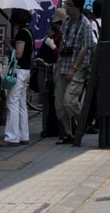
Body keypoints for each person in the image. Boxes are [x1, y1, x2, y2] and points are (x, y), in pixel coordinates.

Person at [54, 0, 94, 144]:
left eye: (69, 5)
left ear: (77, 7)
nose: (66, 7)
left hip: (77, 68)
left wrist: (74, 67)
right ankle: (68, 134)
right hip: (62, 65)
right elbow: (63, 43)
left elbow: (85, 48)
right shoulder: (67, 22)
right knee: (59, 106)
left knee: (69, 102)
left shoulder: (85, 24)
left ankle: (83, 124)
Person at [0, 9, 34, 147]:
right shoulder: (29, 32)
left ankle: (11, 137)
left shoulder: (22, 33)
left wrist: (7, 44)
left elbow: (18, 54)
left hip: (18, 71)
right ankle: (23, 135)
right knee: (21, 104)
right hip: (26, 71)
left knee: (12, 103)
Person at [36, 8, 66, 139]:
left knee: (50, 103)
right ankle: (53, 129)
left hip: (51, 72)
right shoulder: (59, 35)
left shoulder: (58, 36)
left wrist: (52, 46)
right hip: (53, 72)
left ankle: (49, 129)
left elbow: (59, 54)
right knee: (52, 103)